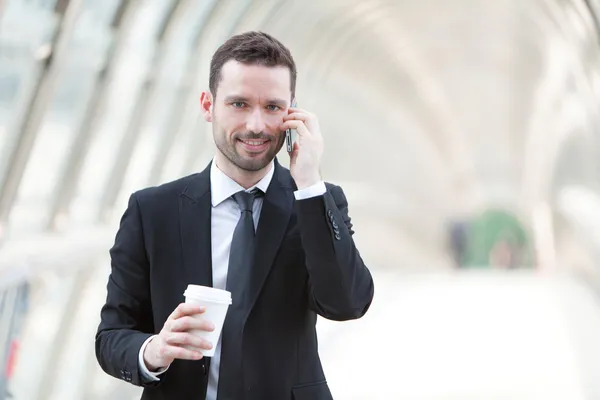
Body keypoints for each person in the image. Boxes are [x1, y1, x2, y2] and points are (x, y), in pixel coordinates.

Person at [95, 31, 374, 400]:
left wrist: (308, 182)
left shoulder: (316, 201)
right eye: (239, 104)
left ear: (293, 112)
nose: (256, 125)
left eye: (273, 107)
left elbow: (348, 303)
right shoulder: (153, 211)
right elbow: (112, 335)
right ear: (208, 105)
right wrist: (155, 350)